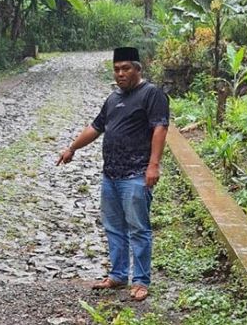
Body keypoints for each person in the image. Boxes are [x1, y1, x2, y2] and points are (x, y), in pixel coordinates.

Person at [56, 47, 169, 302]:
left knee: (139, 228)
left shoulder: (151, 94)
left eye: (126, 68)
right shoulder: (113, 98)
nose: (120, 73)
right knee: (114, 228)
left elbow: (160, 128)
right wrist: (72, 148)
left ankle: (141, 281)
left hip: (136, 175)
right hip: (111, 175)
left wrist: (153, 165)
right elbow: (96, 127)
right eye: (117, 69)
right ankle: (118, 275)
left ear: (138, 69)